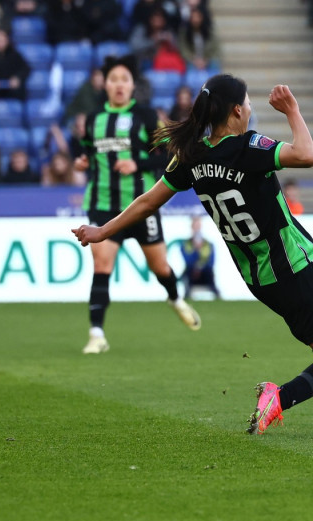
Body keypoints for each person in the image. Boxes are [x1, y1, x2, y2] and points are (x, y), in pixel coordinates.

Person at [72, 75, 313, 434]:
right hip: (288, 268)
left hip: (261, 274)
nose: (252, 109)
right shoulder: (247, 147)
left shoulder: (193, 155)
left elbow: (148, 201)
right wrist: (293, 111)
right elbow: (307, 154)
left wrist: (103, 230)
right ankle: (279, 397)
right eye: (250, 103)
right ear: (238, 110)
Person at [72, 55, 202, 355]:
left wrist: (138, 162)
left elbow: (169, 155)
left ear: (132, 85)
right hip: (103, 204)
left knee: (160, 267)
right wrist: (82, 161)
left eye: (124, 79)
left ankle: (175, 298)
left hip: (142, 205)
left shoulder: (146, 117)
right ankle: (96, 334)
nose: (118, 84)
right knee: (101, 266)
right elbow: (87, 155)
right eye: (113, 79)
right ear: (105, 84)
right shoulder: (92, 119)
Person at [180, 215, 219, 299]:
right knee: (189, 271)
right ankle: (187, 296)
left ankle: (217, 295)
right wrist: (196, 250)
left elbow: (211, 262)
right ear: (191, 228)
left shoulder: (209, 244)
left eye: (198, 226)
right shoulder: (186, 244)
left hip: (205, 273)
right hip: (191, 273)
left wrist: (200, 268)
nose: (197, 229)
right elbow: (188, 261)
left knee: (209, 271)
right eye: (195, 226)